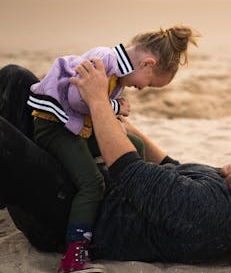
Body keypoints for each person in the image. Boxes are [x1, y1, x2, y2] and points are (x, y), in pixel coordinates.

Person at [0, 63, 231, 266]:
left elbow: (130, 170)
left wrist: (98, 101)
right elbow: (169, 165)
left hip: (68, 214)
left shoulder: (212, 216)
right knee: (16, 81)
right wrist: (121, 125)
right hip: (87, 181)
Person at [26, 25, 200, 273]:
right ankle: (75, 252)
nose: (141, 89)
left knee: (135, 144)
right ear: (147, 64)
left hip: (76, 128)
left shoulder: (117, 72)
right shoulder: (103, 60)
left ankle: (121, 200)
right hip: (55, 127)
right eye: (148, 84)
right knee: (92, 184)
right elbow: (78, 96)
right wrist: (114, 107)